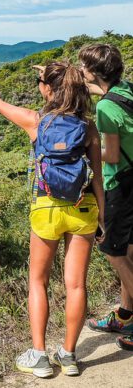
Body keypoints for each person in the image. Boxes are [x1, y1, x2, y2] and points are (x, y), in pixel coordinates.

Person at [0, 61, 104, 378]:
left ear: (47, 89)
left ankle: (39, 356)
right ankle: (68, 355)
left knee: (37, 282)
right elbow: (98, 176)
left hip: (46, 207)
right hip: (83, 208)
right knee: (76, 284)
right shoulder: (88, 127)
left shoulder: (36, 122)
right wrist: (103, 217)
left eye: (42, 81)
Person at [79, 43, 133, 352]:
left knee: (113, 251)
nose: (81, 71)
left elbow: (110, 155)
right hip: (132, 180)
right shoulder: (125, 90)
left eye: (84, 67)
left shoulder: (105, 109)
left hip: (121, 185)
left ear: (96, 72)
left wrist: (85, 151)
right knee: (129, 250)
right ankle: (125, 314)